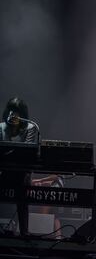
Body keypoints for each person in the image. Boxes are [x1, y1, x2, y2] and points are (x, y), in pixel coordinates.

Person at [0, 97, 61, 236]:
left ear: (22, 114)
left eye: (16, 111)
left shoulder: (30, 127)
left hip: (22, 173)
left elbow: (27, 152)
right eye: (10, 110)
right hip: (4, 171)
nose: (12, 114)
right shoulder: (1, 127)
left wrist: (9, 152)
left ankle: (24, 232)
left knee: (22, 191)